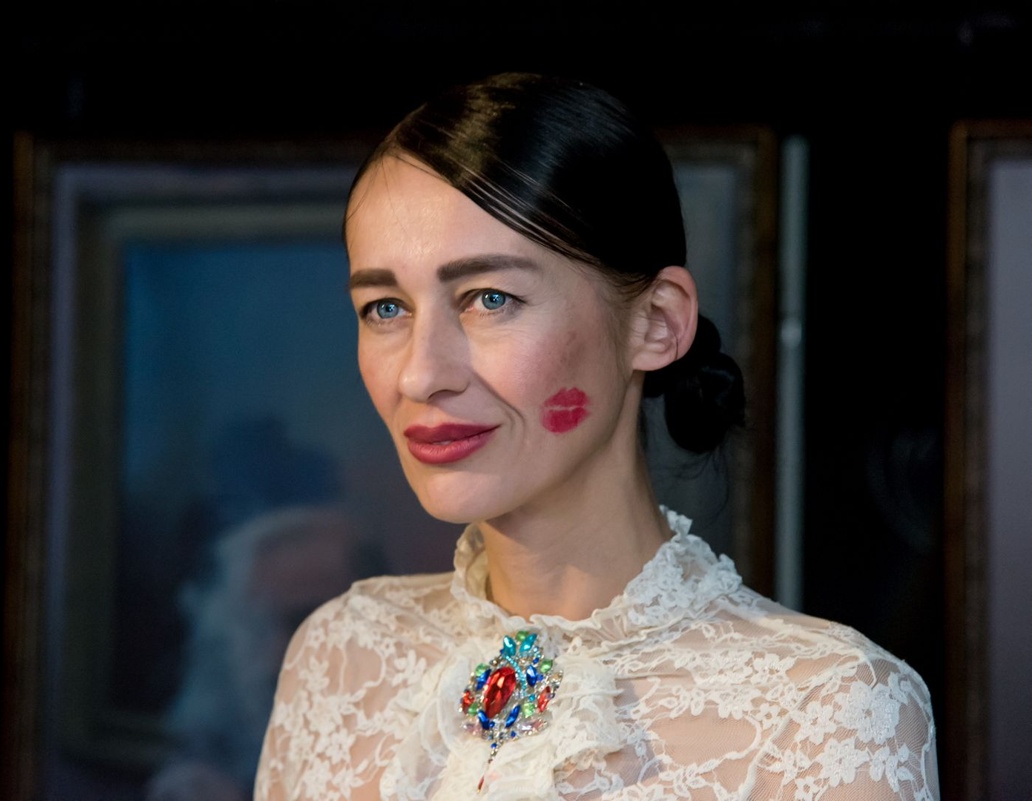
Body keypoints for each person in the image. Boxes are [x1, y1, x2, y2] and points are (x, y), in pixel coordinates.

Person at [253, 73, 938, 800]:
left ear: (657, 322)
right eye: (385, 307)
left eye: (490, 298)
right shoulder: (341, 656)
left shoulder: (827, 711)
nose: (420, 374)